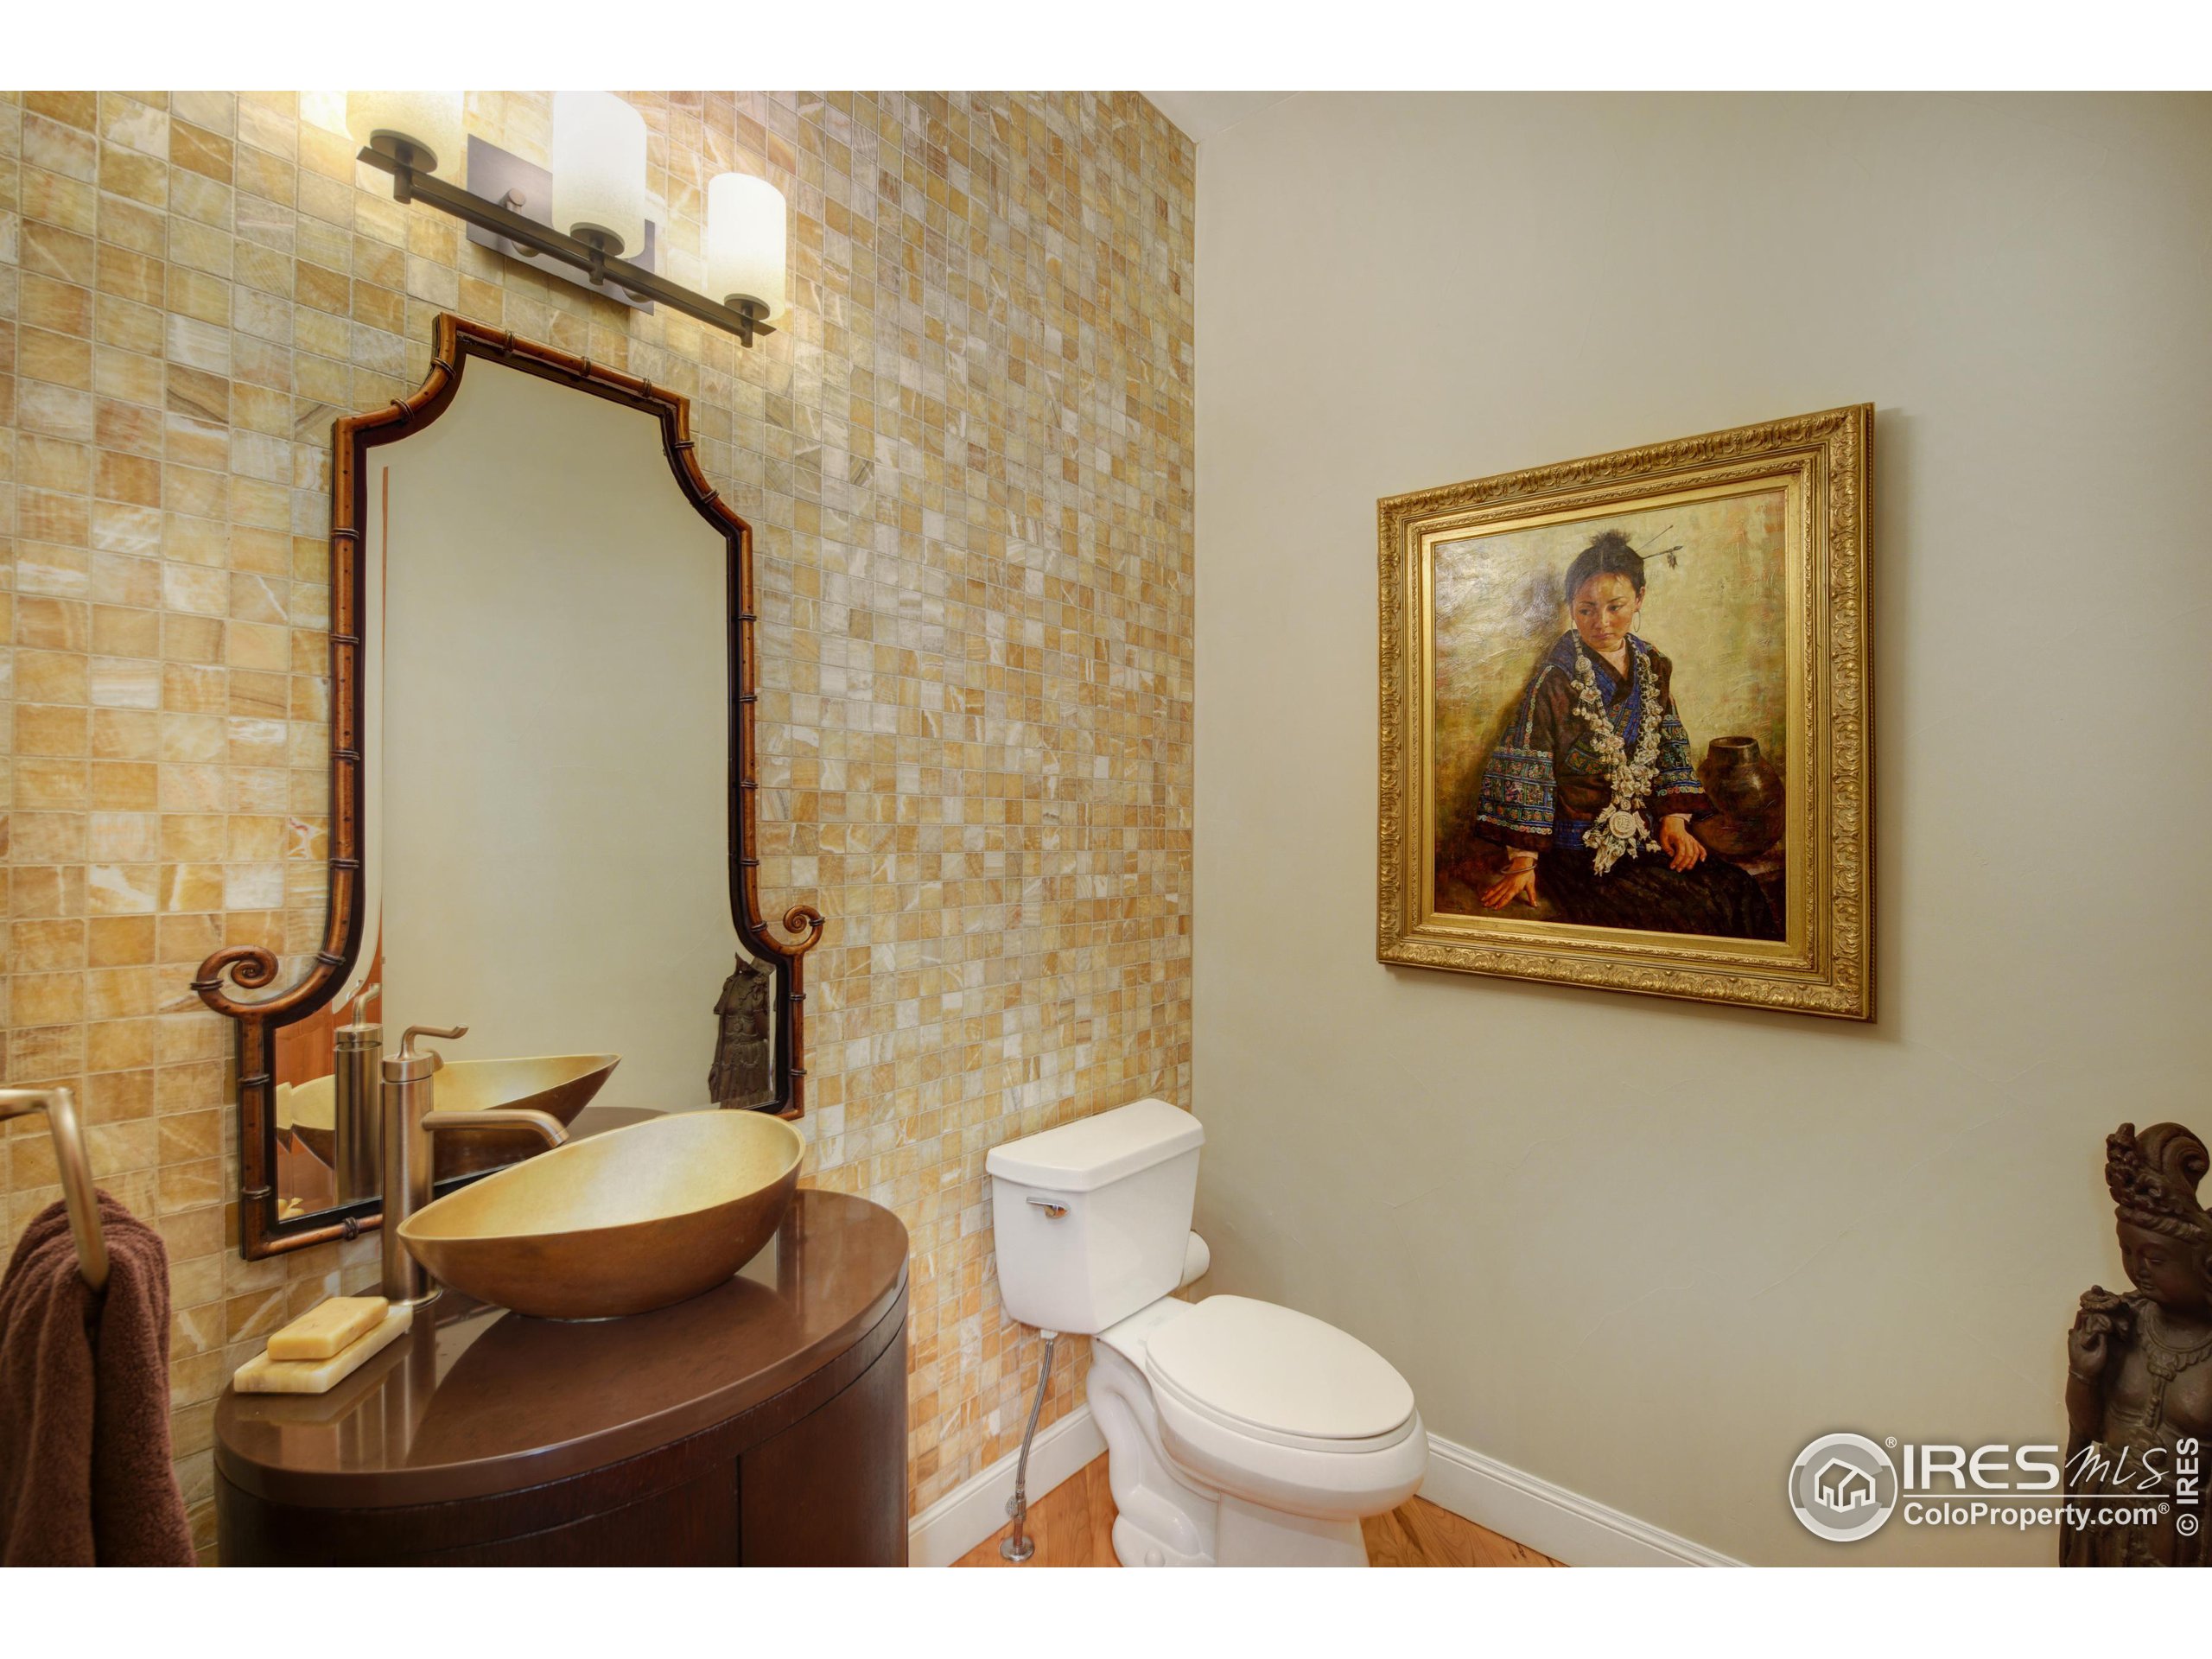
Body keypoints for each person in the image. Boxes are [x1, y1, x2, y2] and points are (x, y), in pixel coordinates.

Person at [1470, 529, 1781, 940]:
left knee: (1737, 890)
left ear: (1639, 599)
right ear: (1571, 608)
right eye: (1586, 609)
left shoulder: (1653, 665)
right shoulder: (1555, 678)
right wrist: (1523, 861)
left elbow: (1669, 742)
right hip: (1579, 848)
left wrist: (1674, 820)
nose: (1601, 622)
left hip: (1647, 835)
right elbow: (1527, 763)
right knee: (1678, 914)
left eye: (1615, 607)